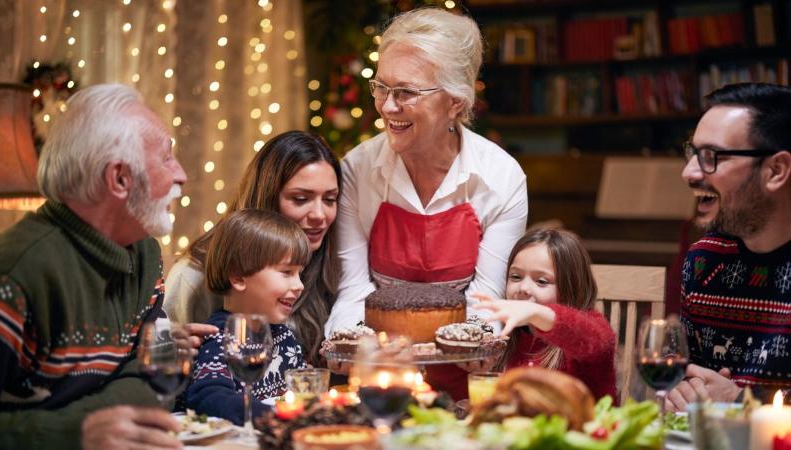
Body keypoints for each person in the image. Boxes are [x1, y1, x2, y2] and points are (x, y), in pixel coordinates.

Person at [0, 84, 196, 449]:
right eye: (167, 158)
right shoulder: (7, 279)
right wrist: (76, 432)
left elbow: (160, 374)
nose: (181, 174)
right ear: (120, 179)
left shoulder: (145, 255)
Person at [325, 7, 528, 399]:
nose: (386, 106)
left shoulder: (501, 178)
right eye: (381, 87)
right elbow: (353, 288)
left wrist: (473, 348)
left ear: (455, 101)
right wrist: (347, 346)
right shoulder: (358, 169)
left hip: (467, 384)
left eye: (406, 92)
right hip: (377, 379)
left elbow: (485, 299)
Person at [165, 130, 340, 366]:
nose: (320, 215)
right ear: (266, 197)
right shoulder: (193, 275)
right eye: (300, 199)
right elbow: (161, 361)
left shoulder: (329, 264)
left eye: (330, 199)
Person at [666, 83, 791, 411]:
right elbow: (689, 377)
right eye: (691, 153)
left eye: (710, 157)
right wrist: (682, 391)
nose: (688, 173)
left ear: (776, 171)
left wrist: (740, 400)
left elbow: (725, 397)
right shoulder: (704, 260)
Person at [185, 209, 309, 425]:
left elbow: (303, 388)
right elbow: (208, 399)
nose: (299, 285)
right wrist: (279, 418)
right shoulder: (220, 338)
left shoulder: (285, 336)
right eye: (286, 272)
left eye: (300, 273)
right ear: (238, 277)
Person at [472, 228, 617, 401]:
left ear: (571, 287)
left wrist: (536, 312)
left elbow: (596, 341)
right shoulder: (505, 336)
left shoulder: (590, 329)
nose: (523, 289)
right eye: (516, 277)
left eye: (541, 281)